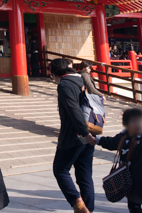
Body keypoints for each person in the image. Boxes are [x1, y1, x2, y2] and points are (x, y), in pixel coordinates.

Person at [90, 108, 142, 212]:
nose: (137, 124)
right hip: (127, 180)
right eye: (134, 122)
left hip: (140, 181)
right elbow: (111, 142)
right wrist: (97, 140)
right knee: (133, 207)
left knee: (134, 207)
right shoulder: (123, 137)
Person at [49, 58, 94, 213]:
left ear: (55, 73)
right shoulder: (83, 80)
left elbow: (73, 109)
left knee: (60, 170)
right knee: (85, 176)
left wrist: (85, 132)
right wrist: (90, 132)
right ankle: (89, 209)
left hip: (74, 135)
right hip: (91, 131)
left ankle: (78, 204)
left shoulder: (64, 84)